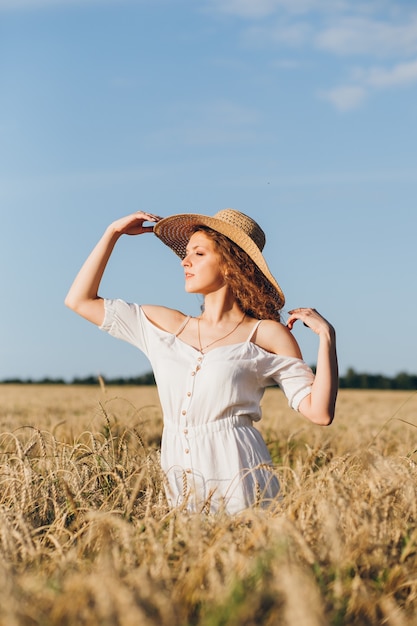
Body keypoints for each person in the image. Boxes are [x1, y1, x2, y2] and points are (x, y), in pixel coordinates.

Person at [65, 209, 338, 514]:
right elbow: (80, 300)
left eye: (198, 253)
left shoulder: (265, 335)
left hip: (240, 473)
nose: (185, 261)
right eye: (186, 253)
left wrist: (327, 338)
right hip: (180, 481)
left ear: (230, 263)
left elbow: (319, 412)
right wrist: (112, 233)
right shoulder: (163, 326)